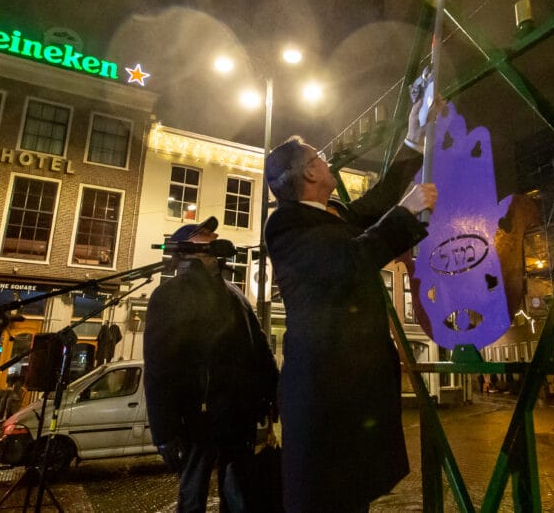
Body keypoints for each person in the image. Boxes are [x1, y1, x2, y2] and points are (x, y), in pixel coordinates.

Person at [263, 100, 439, 512]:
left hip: (346, 393)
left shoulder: (329, 216)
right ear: (309, 172)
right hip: (324, 397)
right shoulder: (286, 225)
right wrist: (407, 212)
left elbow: (375, 205)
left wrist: (412, 138)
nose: (327, 164)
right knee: (328, 497)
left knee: (351, 494)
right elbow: (350, 261)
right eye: (320, 159)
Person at [143, 216, 279, 513]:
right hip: (198, 419)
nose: (213, 237)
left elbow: (258, 347)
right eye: (203, 236)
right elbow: (158, 366)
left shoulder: (234, 294)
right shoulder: (169, 295)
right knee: (194, 498)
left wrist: (272, 394)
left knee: (239, 496)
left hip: (238, 416)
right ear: (184, 251)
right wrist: (165, 431)